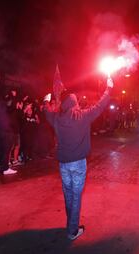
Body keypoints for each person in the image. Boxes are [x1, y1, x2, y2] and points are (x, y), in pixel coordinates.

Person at [43, 77, 113, 240]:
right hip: (78, 164)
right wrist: (108, 89)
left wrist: (45, 101)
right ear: (75, 103)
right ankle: (72, 231)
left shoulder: (57, 119)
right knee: (75, 197)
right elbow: (100, 106)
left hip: (63, 164)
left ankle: (70, 224)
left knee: (68, 194)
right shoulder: (83, 116)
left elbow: (46, 113)